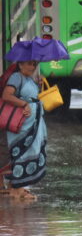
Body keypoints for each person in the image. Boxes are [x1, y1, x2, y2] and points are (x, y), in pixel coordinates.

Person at [1, 60, 46, 200]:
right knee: (21, 153)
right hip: (22, 123)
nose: (32, 67)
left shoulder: (30, 79)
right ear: (20, 64)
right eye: (29, 64)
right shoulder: (16, 77)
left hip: (33, 122)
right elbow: (7, 95)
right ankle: (18, 189)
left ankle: (16, 187)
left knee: (30, 152)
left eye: (34, 64)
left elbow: (33, 97)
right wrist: (24, 103)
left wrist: (38, 84)